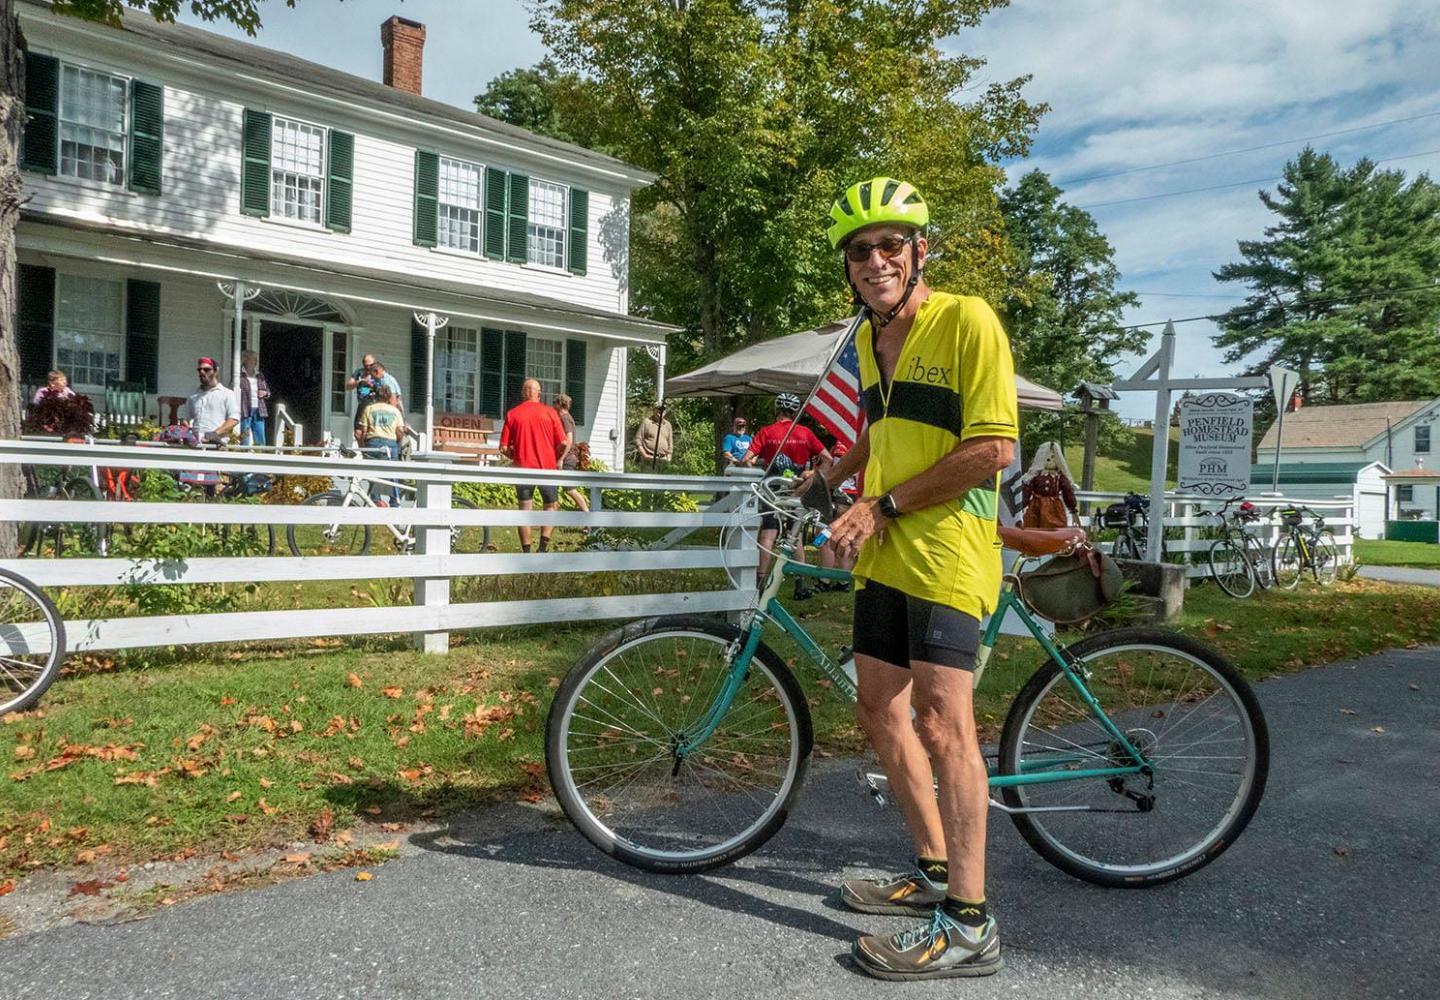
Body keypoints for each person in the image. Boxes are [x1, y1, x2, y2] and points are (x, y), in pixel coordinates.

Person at [804, 177, 1019, 980]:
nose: (875, 259)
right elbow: (886, 424)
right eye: (860, 250)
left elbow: (990, 450)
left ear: (919, 250)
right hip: (887, 550)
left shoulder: (967, 320)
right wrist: (832, 474)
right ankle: (932, 868)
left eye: (891, 243)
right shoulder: (866, 340)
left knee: (942, 720)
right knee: (876, 706)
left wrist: (881, 505)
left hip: (948, 549)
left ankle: (970, 924)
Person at [742, 392, 831, 598]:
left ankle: (759, 582)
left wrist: (759, 467)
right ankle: (800, 585)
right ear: (795, 411)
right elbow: (827, 459)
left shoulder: (766, 432)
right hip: (797, 489)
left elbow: (747, 459)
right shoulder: (805, 433)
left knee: (768, 533)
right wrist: (811, 473)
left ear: (777, 410)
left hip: (771, 489)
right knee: (796, 534)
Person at [500, 378, 567, 553]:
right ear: (539, 393)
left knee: (524, 509)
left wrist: (517, 455)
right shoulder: (551, 413)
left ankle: (526, 552)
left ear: (524, 393)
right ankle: (543, 548)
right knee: (551, 506)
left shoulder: (512, 414)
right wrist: (555, 456)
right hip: (547, 470)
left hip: (523, 469)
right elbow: (564, 443)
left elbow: (503, 447)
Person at [357, 384, 405, 505]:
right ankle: (395, 503)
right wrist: (397, 442)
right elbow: (400, 431)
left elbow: (363, 431)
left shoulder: (369, 409)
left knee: (373, 475)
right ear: (389, 396)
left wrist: (362, 446)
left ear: (375, 396)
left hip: (373, 442)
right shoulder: (395, 411)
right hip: (390, 443)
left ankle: (376, 502)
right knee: (393, 476)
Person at [1019, 441, 1078, 530]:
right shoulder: (1035, 476)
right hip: (1036, 507)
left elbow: (1067, 491)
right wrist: (1021, 505)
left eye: (1053, 458)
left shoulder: (1058, 477)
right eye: (1047, 459)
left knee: (1056, 527)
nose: (1050, 461)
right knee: (1033, 527)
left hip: (1054, 508)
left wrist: (1073, 508)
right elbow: (1027, 490)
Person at [186, 356, 240, 442]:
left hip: (216, 445)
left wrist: (215, 434)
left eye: (206, 369)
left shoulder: (227, 394)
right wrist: (186, 432)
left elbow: (234, 419)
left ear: (216, 371)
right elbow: (185, 418)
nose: (202, 372)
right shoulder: (194, 396)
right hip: (195, 445)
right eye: (199, 370)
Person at [552, 393, 591, 514]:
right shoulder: (565, 417)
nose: (553, 406)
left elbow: (569, 439)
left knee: (569, 489)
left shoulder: (565, 418)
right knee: (554, 486)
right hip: (567, 457)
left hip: (568, 458)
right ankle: (552, 515)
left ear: (559, 404)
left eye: (554, 403)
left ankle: (587, 515)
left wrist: (561, 458)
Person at [237, 350, 271, 447]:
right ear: (245, 360)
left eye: (256, 360)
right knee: (245, 436)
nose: (255, 362)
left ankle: (261, 455)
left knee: (260, 435)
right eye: (253, 359)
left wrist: (264, 393)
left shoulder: (259, 375)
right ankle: (244, 455)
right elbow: (233, 390)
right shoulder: (239, 376)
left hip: (259, 410)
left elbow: (268, 391)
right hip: (245, 410)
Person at [632, 402, 673, 469]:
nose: (661, 411)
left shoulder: (668, 425)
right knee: (648, 479)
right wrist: (645, 455)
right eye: (659, 409)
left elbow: (670, 443)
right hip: (649, 460)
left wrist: (669, 457)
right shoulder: (646, 422)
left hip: (664, 460)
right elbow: (637, 439)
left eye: (663, 409)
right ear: (654, 410)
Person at [346, 353, 378, 435]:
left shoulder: (378, 373)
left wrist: (373, 385)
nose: (368, 367)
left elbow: (385, 389)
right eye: (366, 365)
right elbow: (348, 386)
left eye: (371, 365)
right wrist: (361, 381)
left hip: (375, 407)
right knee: (358, 433)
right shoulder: (359, 373)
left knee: (371, 433)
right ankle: (362, 447)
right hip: (362, 406)